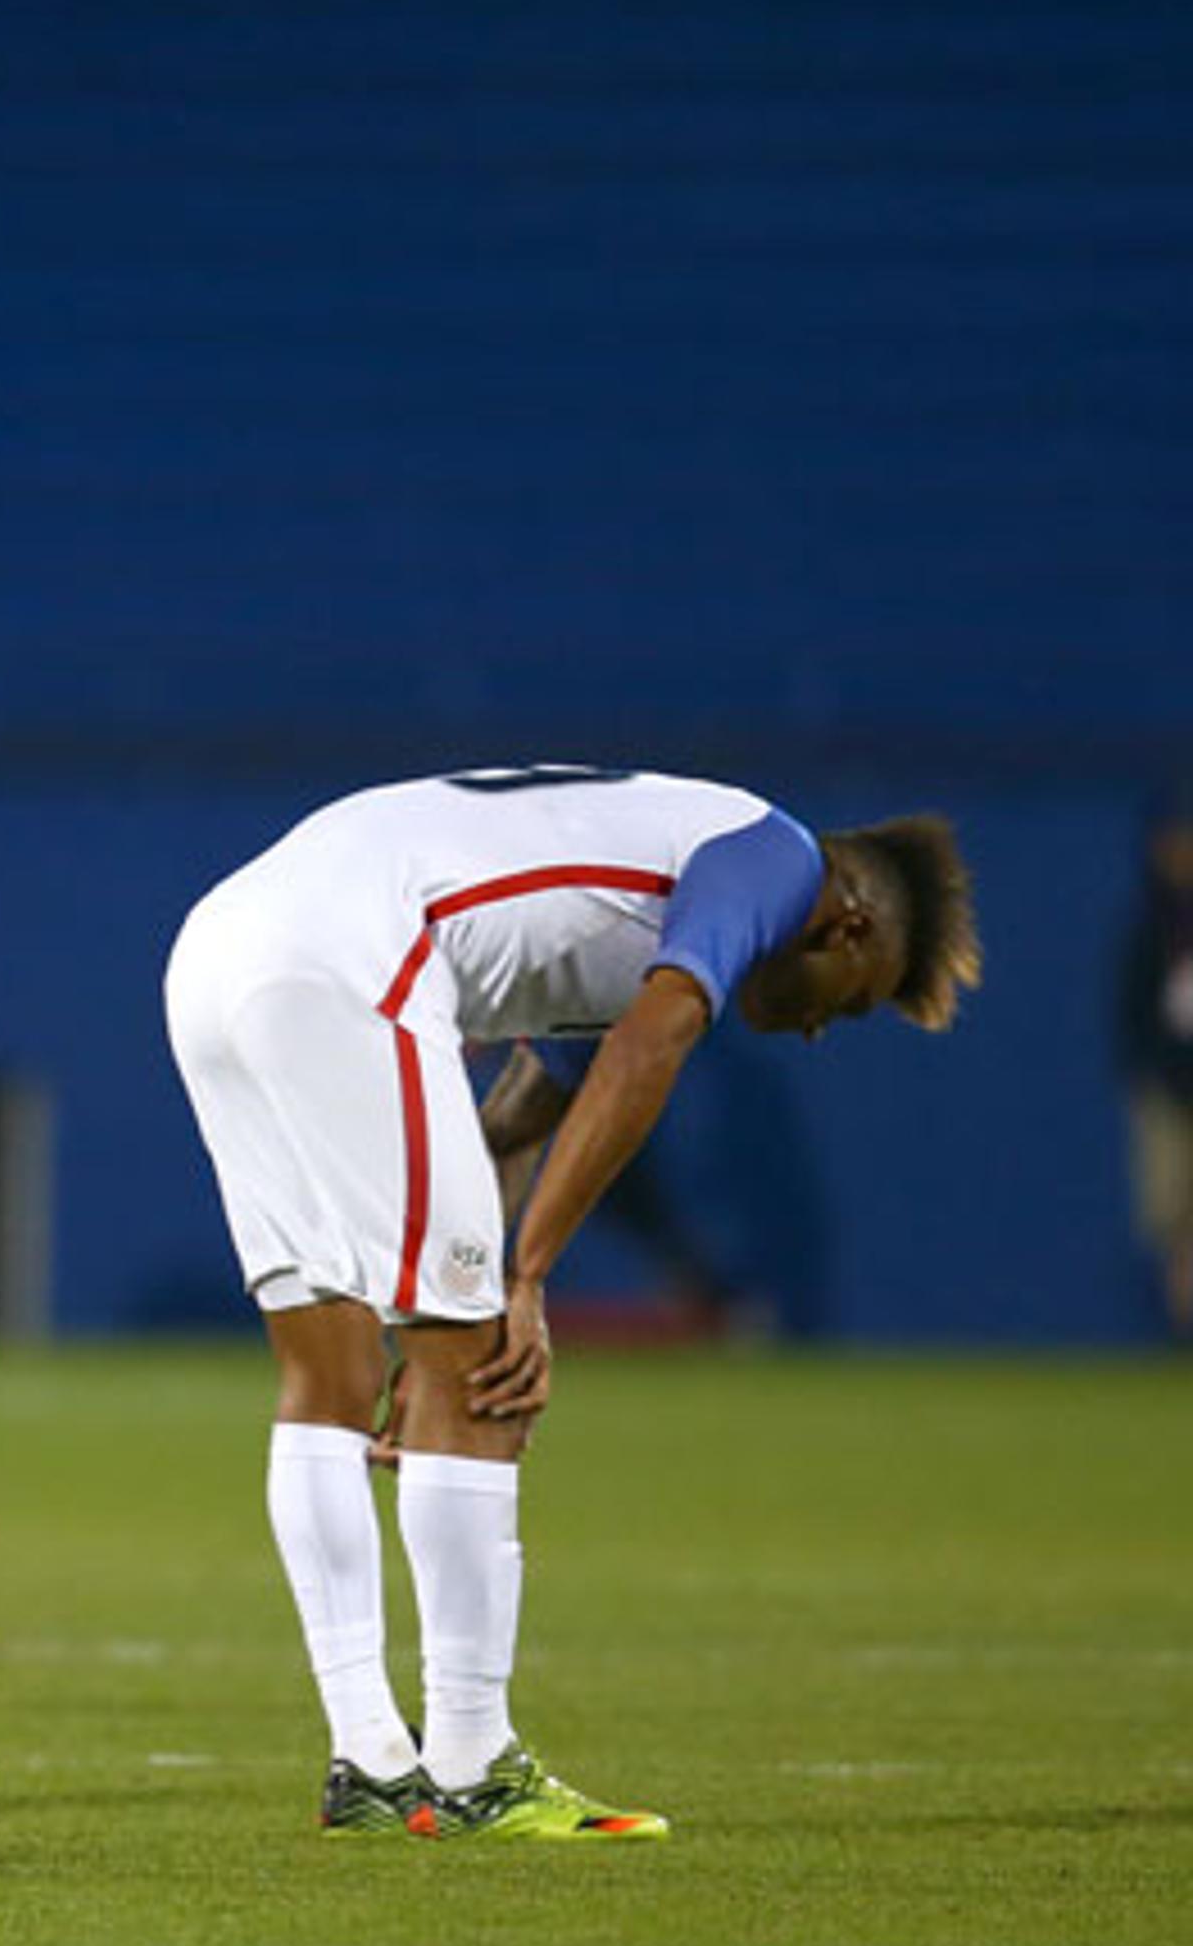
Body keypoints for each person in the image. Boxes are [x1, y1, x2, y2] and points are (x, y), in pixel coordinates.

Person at [161, 766, 977, 1841]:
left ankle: (370, 1760)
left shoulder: (645, 874)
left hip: (219, 952)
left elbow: (520, 1111)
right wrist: (519, 1282)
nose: (823, 1029)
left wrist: (445, 1293)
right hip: (347, 960)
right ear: (854, 927)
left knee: (334, 1371)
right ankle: (472, 1765)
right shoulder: (776, 860)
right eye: (855, 1003)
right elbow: (653, 1044)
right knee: (491, 1382)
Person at [1122, 802, 1193, 1339]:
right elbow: (1132, 1017)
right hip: (1170, 1093)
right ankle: (1180, 1329)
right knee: (1173, 1220)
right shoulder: (1152, 929)